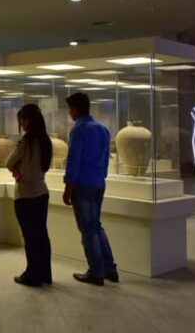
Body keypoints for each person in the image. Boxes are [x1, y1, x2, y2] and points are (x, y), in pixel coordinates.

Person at [62, 92, 118, 286]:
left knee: (88, 230)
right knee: (96, 225)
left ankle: (96, 271)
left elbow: (74, 161)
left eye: (70, 109)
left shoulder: (79, 130)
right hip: (98, 183)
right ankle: (109, 268)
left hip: (82, 184)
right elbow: (105, 159)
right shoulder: (102, 129)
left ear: (76, 109)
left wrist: (68, 186)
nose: (69, 113)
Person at [6, 103, 53, 287]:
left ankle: (32, 274)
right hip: (42, 191)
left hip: (26, 194)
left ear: (27, 120)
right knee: (42, 235)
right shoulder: (45, 140)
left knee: (30, 236)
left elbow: (9, 162)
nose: (22, 123)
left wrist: (19, 169)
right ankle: (44, 274)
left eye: (22, 120)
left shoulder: (26, 142)